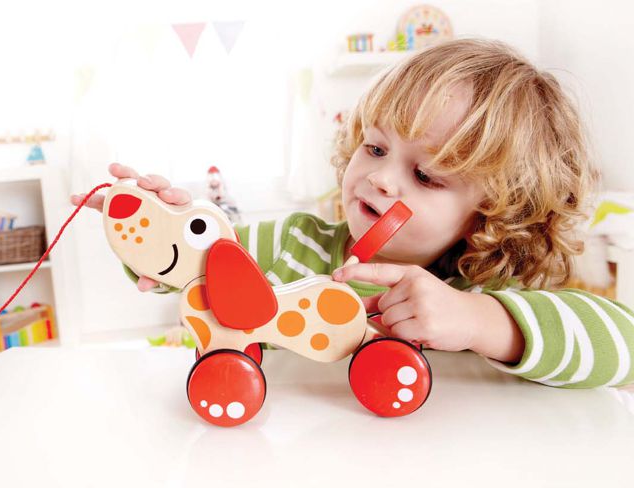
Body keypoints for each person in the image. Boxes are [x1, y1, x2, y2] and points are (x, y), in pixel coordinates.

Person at [72, 38, 634, 388]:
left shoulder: (485, 290)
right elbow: (187, 265)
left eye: (425, 175)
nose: (381, 177)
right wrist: (154, 228)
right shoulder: (288, 246)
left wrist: (480, 322)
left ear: (495, 212)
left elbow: (623, 348)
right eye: (376, 147)